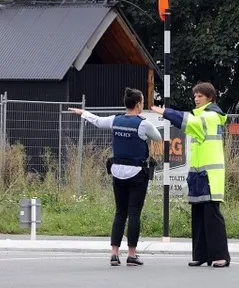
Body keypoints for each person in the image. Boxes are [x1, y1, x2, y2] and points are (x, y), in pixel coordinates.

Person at [69, 87, 161, 266]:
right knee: (134, 213)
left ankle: (114, 253)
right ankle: (132, 255)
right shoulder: (143, 124)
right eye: (142, 102)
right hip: (136, 173)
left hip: (117, 172)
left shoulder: (115, 120)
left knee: (120, 212)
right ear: (138, 104)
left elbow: (97, 121)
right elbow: (157, 137)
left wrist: (83, 113)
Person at [152, 81, 230, 268]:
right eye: (195, 96)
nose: (196, 99)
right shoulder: (204, 115)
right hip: (197, 173)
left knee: (212, 216)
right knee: (198, 215)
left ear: (209, 98)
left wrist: (166, 112)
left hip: (210, 174)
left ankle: (220, 255)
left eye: (200, 96)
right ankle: (201, 255)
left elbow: (190, 122)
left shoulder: (211, 116)